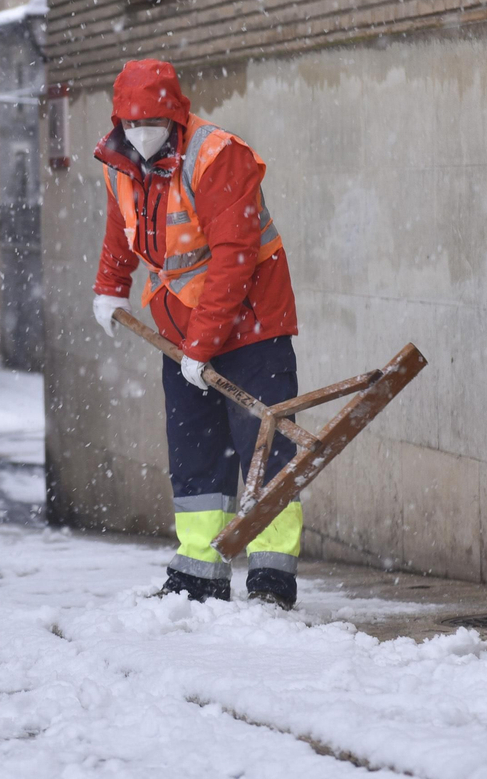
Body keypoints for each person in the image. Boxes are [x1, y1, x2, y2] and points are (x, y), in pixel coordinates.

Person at [91, 60, 302, 609]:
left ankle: (271, 577)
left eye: (153, 123)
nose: (141, 134)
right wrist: (110, 287)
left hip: (252, 327)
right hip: (181, 330)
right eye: (131, 125)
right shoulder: (122, 163)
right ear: (118, 122)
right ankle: (198, 572)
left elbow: (234, 258)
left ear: (176, 115)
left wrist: (202, 345)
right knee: (194, 452)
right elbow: (121, 227)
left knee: (266, 449)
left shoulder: (216, 155)